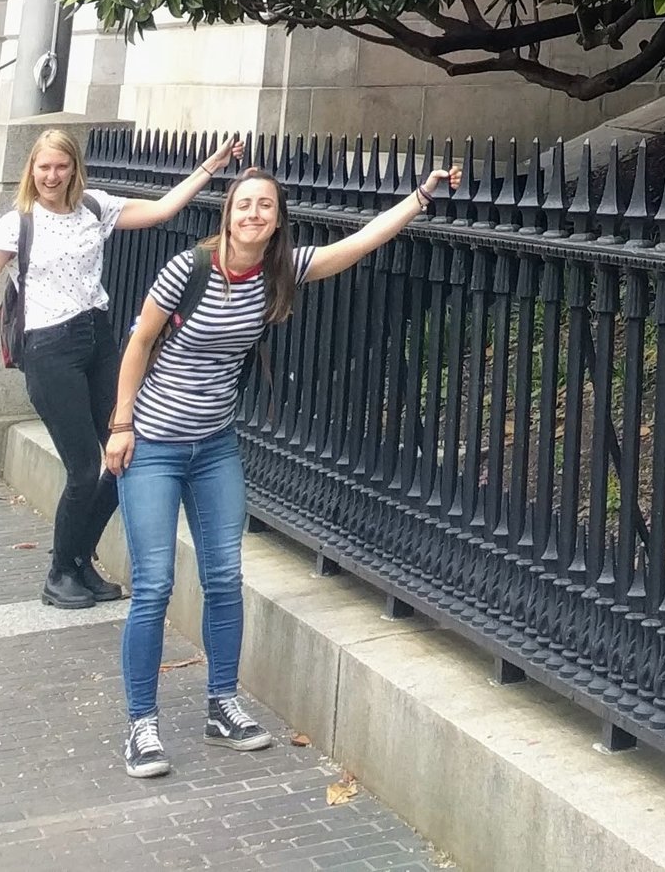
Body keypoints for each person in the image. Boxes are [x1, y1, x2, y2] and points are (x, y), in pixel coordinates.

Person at [104, 156, 458, 780]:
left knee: (224, 575)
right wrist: (121, 425)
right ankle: (142, 724)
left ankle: (221, 703)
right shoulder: (186, 270)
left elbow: (358, 244)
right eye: (244, 204)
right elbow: (138, 343)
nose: (253, 214)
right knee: (155, 584)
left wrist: (421, 198)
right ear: (228, 213)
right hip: (154, 443)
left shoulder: (280, 272)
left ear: (277, 221)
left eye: (265, 207)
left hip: (214, 445)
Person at [0, 126, 242, 602]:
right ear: (31, 170)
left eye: (61, 167)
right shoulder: (18, 224)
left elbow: (162, 209)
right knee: (83, 469)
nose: (52, 176)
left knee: (125, 457)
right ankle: (60, 574)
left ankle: (81, 562)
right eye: (44, 168)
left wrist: (209, 167)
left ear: (74, 169)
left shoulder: (95, 208)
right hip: (50, 350)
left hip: (99, 339)